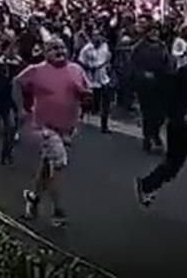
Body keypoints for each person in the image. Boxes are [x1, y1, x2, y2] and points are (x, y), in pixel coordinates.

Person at [135, 25, 187, 232]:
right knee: (172, 166)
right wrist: (181, 116)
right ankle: (147, 184)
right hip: (180, 130)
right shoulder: (179, 75)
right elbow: (169, 100)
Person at [13, 38, 90, 227]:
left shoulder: (76, 70)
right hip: (44, 129)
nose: (59, 51)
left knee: (47, 166)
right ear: (45, 52)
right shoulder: (36, 70)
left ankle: (33, 198)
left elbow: (86, 92)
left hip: (67, 128)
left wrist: (85, 103)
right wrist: (21, 108)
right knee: (58, 163)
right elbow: (16, 83)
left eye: (62, 47)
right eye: (54, 48)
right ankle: (58, 211)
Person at [131, 23, 170, 153]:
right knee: (148, 113)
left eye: (156, 31)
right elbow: (133, 66)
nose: (155, 34)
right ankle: (147, 138)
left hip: (160, 84)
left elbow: (168, 64)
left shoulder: (162, 47)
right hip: (145, 86)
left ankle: (155, 132)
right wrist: (143, 74)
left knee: (160, 114)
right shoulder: (139, 47)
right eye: (152, 31)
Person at [78, 30, 113, 133]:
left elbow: (107, 58)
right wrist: (88, 67)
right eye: (95, 37)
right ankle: (84, 114)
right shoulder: (86, 49)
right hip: (91, 79)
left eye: (99, 37)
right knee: (90, 100)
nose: (97, 39)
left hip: (103, 78)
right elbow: (80, 61)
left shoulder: (105, 46)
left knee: (106, 102)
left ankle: (104, 125)